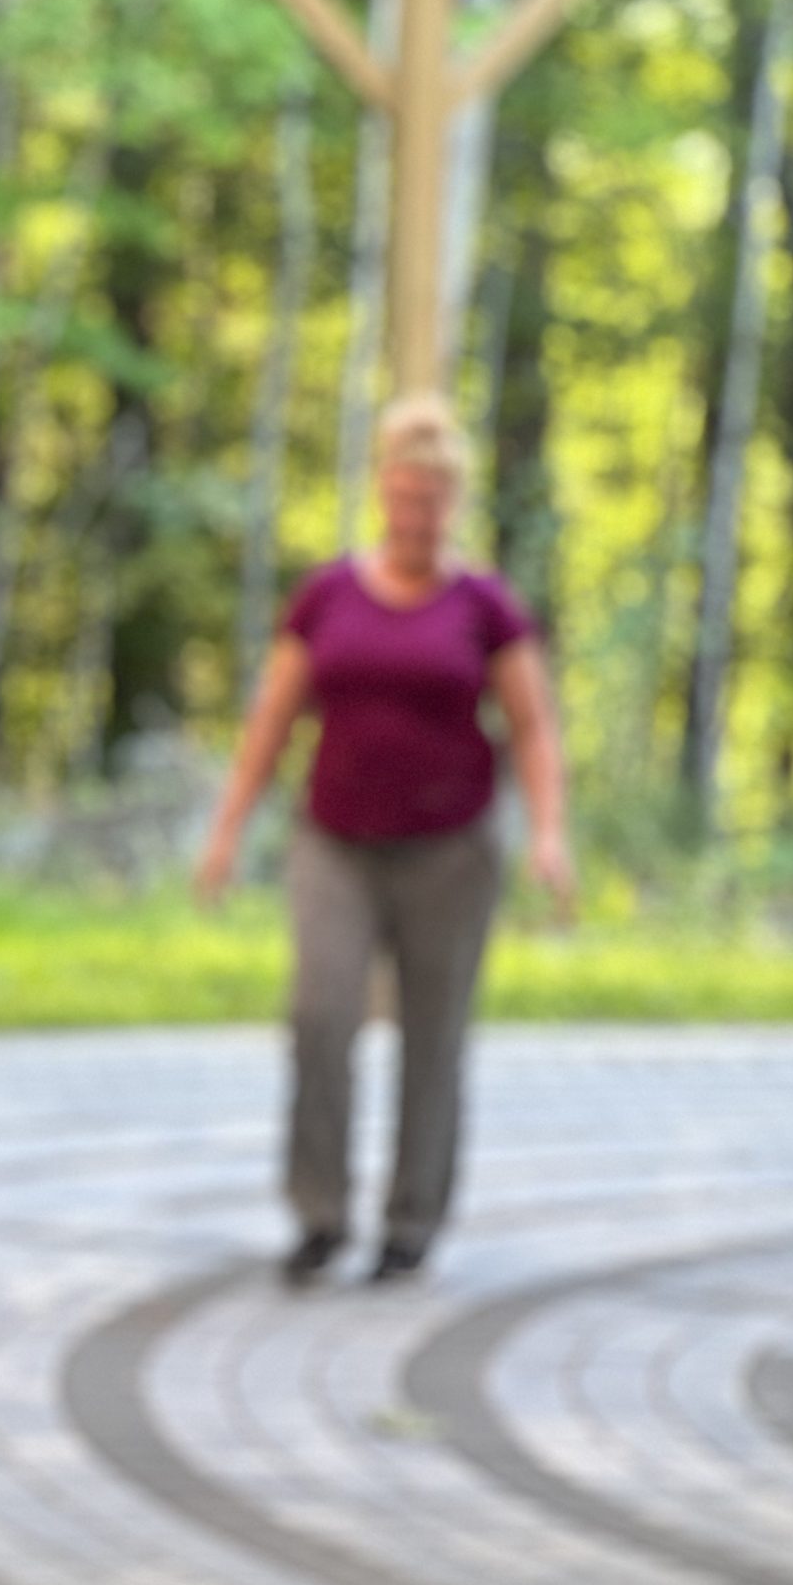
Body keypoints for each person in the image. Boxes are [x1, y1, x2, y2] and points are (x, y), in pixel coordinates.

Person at [196, 393, 572, 1286]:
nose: (416, 515)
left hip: (451, 850)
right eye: (403, 496)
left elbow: (534, 727)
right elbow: (273, 717)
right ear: (383, 492)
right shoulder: (327, 594)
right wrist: (227, 830)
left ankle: (412, 1223)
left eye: (432, 499)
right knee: (322, 1015)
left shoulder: (486, 605)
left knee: (433, 1033)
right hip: (335, 841)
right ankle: (319, 1214)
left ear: (454, 501)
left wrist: (549, 835)